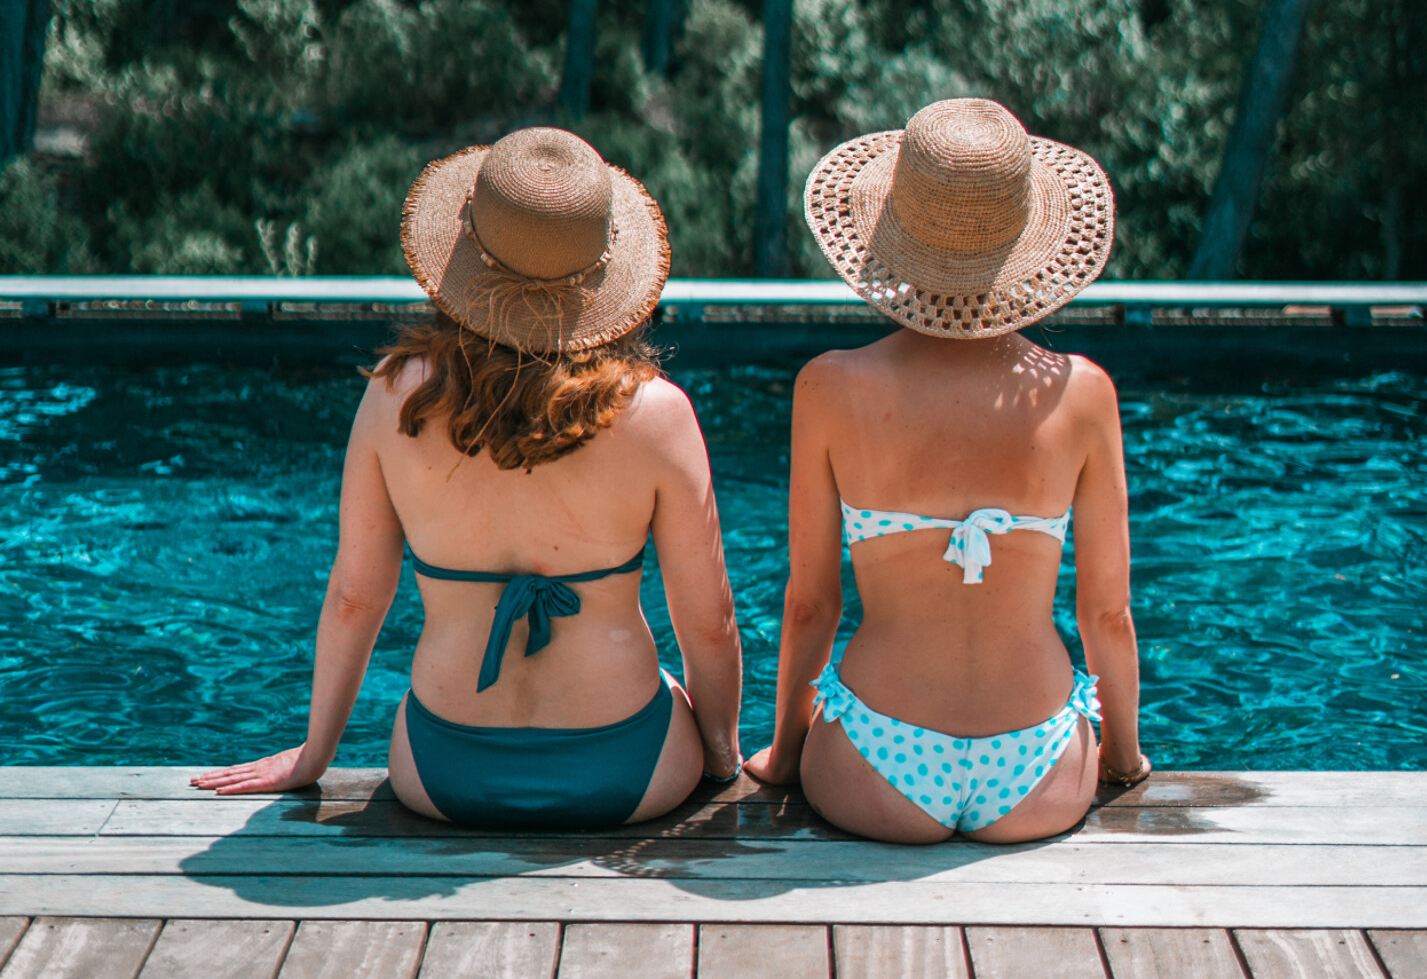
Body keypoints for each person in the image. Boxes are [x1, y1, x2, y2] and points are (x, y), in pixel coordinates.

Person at [193, 127, 742, 826]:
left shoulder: (395, 396)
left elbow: (357, 598)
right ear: (601, 271)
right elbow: (711, 624)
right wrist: (721, 756)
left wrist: (315, 757)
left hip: (443, 769)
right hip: (628, 771)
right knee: (667, 689)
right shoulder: (658, 414)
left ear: (466, 265)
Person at [745, 98, 1148, 844]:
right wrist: (1122, 756)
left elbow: (810, 606)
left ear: (892, 236)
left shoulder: (829, 386)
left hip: (877, 761)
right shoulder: (1083, 392)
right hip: (1041, 765)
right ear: (1029, 240)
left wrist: (784, 756)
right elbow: (1107, 616)